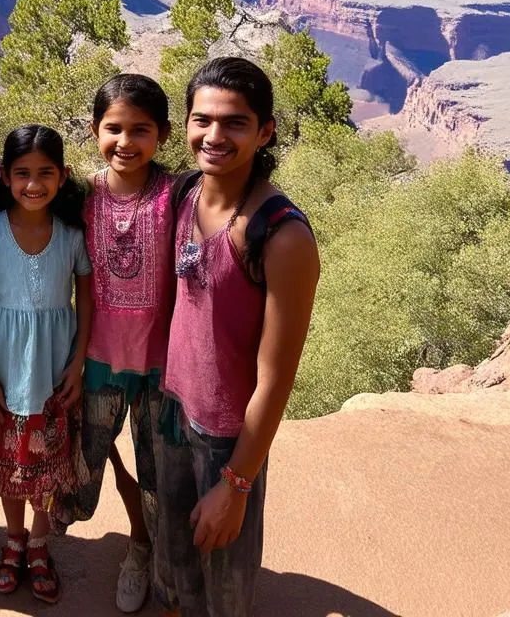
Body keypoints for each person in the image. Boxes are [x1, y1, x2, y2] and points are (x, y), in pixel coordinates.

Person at [155, 57, 320, 617]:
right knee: (176, 562)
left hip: (229, 437)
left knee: (225, 584)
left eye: (235, 123)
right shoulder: (182, 195)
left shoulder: (282, 235)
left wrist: (237, 484)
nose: (215, 136)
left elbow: (277, 377)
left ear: (265, 130)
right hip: (173, 407)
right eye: (202, 120)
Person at [57, 74, 175, 614]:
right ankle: (45, 538)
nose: (125, 142)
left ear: (163, 136)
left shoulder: (178, 196)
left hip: (161, 369)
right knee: (83, 467)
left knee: (159, 470)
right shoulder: (78, 195)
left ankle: (144, 550)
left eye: (140, 131)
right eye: (114, 129)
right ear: (93, 130)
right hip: (98, 364)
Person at [0, 124, 93, 605]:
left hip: (55, 371)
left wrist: (78, 363)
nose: (34, 184)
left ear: (62, 177)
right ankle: (14, 539)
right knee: (11, 464)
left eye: (45, 173)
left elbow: (86, 299)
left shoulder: (71, 234)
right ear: (4, 175)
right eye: (22, 173)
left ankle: (40, 543)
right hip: (7, 372)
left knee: (49, 467)